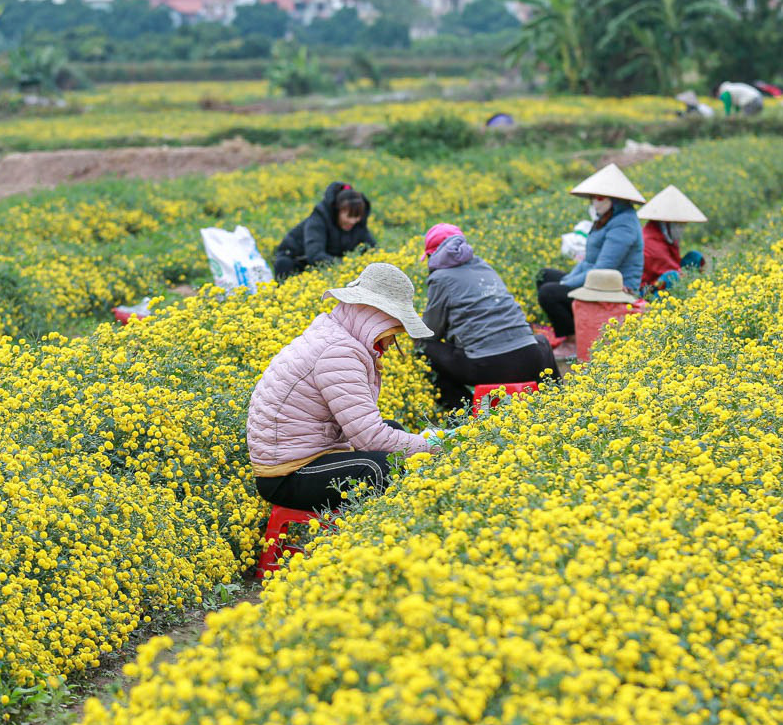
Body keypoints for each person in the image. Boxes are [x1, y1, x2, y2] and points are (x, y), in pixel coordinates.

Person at [248, 262, 435, 514]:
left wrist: (418, 445)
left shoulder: (335, 335)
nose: (391, 341)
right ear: (378, 318)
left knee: (394, 435)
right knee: (381, 468)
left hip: (304, 456)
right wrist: (432, 445)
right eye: (394, 330)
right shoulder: (339, 352)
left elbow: (368, 430)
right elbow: (369, 437)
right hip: (287, 474)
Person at [419, 223, 557, 411]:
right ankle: (558, 403)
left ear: (433, 254)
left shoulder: (441, 277)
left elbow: (430, 332)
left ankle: (465, 415)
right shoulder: (484, 266)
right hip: (530, 359)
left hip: (487, 367)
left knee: (425, 348)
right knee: (540, 341)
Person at [537, 163, 644, 359]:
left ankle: (572, 341)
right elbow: (589, 262)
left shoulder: (624, 224)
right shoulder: (606, 217)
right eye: (593, 197)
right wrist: (566, 280)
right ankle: (569, 330)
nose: (595, 202)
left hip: (615, 288)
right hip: (596, 278)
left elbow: (602, 268)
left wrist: (565, 285)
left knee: (549, 293)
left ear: (615, 199)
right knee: (544, 276)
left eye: (600, 197)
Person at [273, 182, 375, 281]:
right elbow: (315, 255)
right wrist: (347, 265)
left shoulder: (358, 224)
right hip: (296, 260)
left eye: (357, 217)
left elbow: (372, 249)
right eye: (349, 216)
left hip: (325, 266)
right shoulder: (318, 219)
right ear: (338, 210)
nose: (353, 221)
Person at [638, 184, 707, 293]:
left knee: (694, 257)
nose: (681, 230)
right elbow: (671, 271)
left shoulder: (664, 237)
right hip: (645, 290)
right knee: (673, 277)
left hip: (659, 279)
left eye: (683, 225)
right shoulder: (650, 241)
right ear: (666, 224)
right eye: (679, 225)